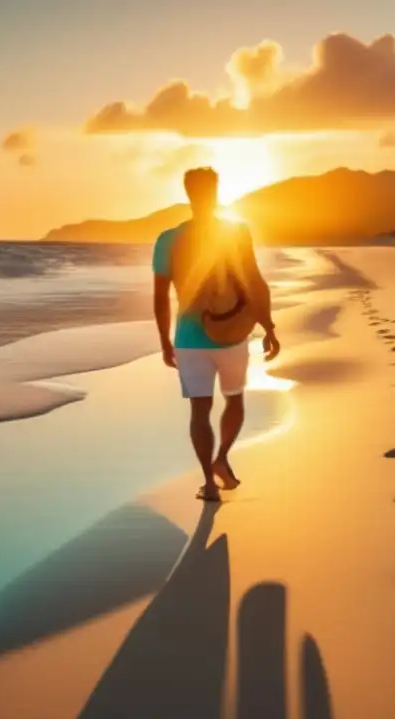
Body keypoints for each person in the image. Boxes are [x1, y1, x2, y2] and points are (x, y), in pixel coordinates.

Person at [152, 167, 280, 502]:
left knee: (199, 411)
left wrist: (165, 341)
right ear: (215, 191)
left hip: (190, 338)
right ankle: (222, 457)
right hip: (232, 331)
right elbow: (254, 281)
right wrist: (268, 326)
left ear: (188, 193)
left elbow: (160, 296)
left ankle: (209, 483)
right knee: (235, 399)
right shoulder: (236, 232)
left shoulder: (169, 239)